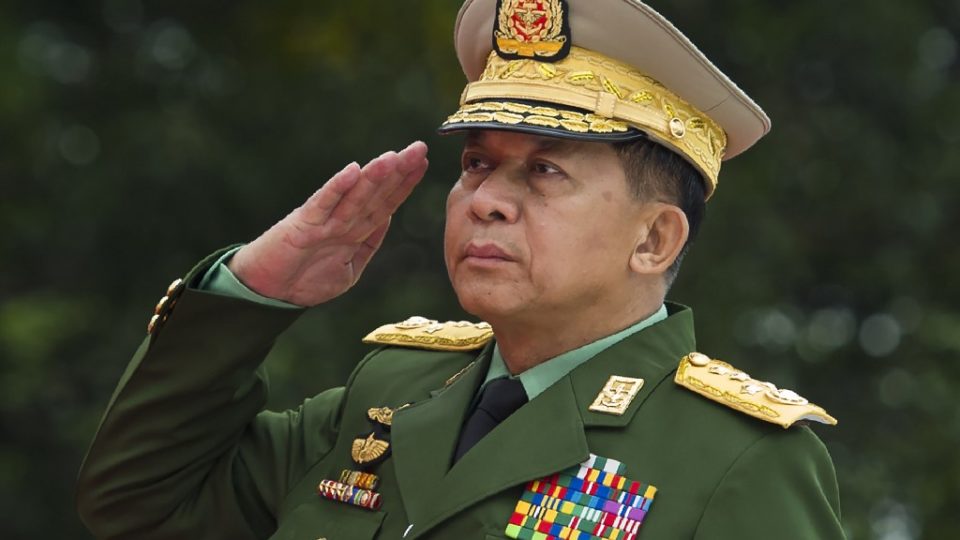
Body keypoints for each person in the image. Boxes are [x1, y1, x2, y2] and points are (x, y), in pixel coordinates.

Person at [77, 0, 845, 538]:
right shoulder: (389, 395)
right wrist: (253, 294)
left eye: (544, 172)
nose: (486, 201)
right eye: (478, 164)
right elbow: (140, 503)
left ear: (654, 240)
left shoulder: (740, 459)